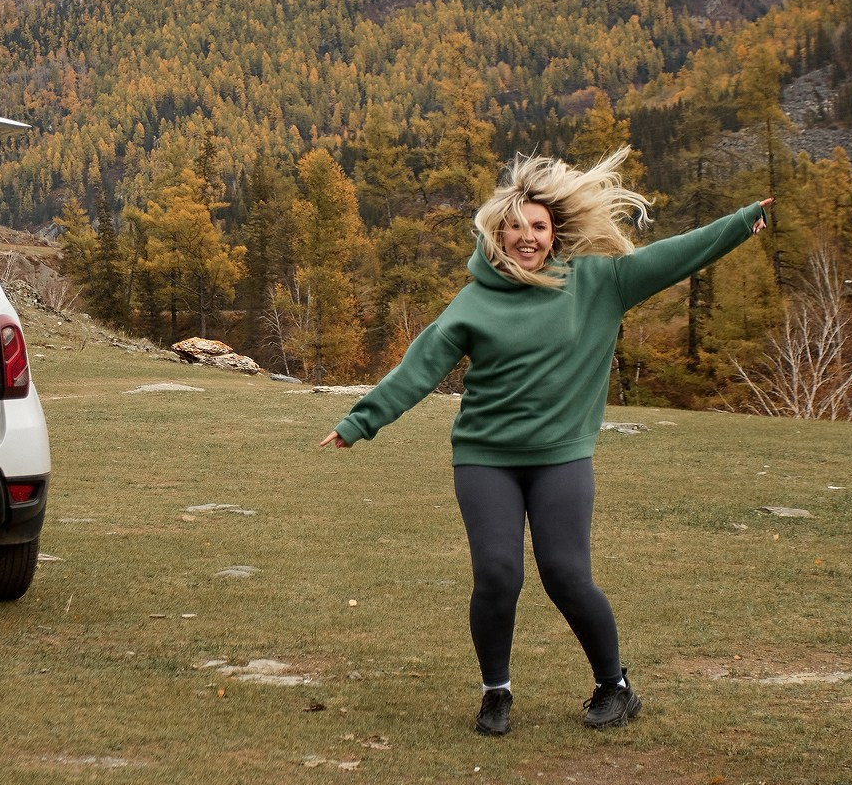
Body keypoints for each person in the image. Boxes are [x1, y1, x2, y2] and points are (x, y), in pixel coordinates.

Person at [318, 149, 769, 736]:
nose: (526, 237)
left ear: (555, 234)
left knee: (567, 575)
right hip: (486, 458)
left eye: (538, 226)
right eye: (515, 227)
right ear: (497, 234)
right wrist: (361, 421)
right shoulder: (473, 302)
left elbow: (678, 254)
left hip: (561, 458)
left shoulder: (601, 284)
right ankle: (496, 693)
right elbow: (419, 368)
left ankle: (615, 687)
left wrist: (742, 221)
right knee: (497, 575)